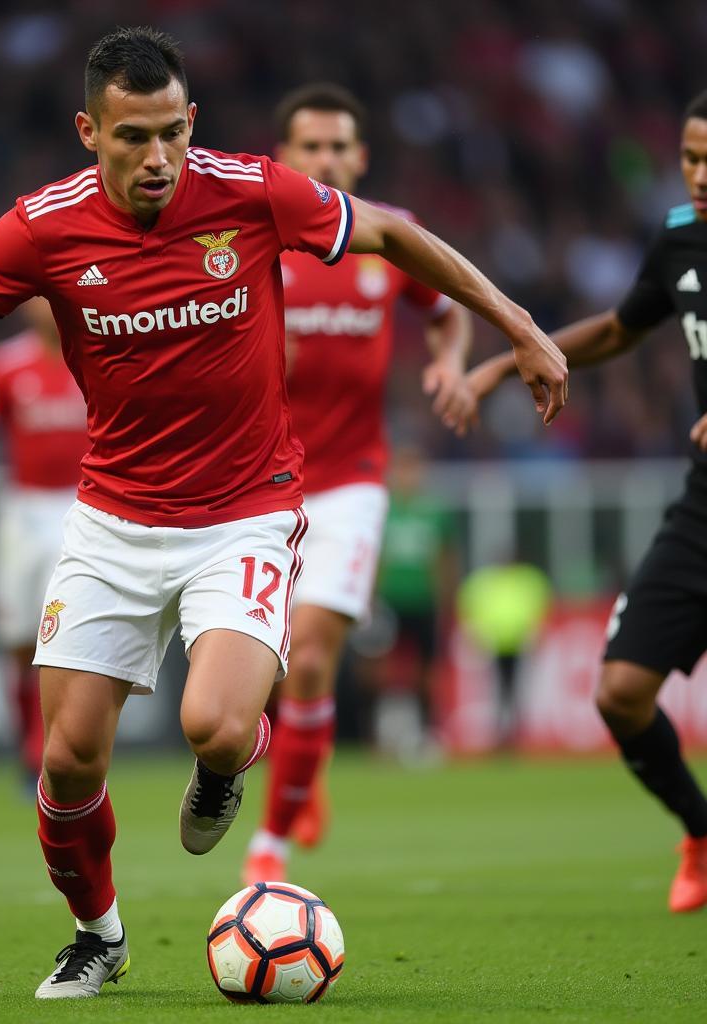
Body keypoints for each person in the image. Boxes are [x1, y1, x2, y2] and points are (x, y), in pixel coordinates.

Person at [0, 27, 567, 998]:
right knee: (68, 759)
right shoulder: (41, 226)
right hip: (109, 520)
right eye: (131, 139)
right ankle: (97, 933)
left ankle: (231, 763)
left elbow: (395, 234)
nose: (156, 159)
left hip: (243, 511)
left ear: (190, 119)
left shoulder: (248, 191)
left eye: (170, 133)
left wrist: (523, 327)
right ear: (89, 131)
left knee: (213, 723)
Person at [462, 89, 707, 911]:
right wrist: (512, 357)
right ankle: (700, 833)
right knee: (620, 692)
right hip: (703, 503)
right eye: (690, 158)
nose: (699, 176)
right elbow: (620, 329)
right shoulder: (680, 239)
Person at [242, 83, 475, 885]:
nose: (328, 160)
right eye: (311, 148)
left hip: (351, 480)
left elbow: (446, 309)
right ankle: (302, 766)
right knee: (258, 669)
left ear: (362, 157)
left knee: (309, 660)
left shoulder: (388, 237)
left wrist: (448, 360)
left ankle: (268, 846)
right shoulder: (258, 240)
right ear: (284, 160)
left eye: (341, 147)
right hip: (255, 482)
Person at [0, 297, 89, 786]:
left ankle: (43, 752)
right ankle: (27, 740)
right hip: (23, 512)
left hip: (82, 508)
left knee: (60, 634)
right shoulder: (6, 365)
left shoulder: (95, 352)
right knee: (16, 639)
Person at [373, 444, 459, 756]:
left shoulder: (434, 511)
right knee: (381, 672)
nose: (409, 476)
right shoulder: (384, 509)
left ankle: (426, 735)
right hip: (390, 602)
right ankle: (380, 736)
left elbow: (445, 558)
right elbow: (374, 559)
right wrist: (370, 598)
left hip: (424, 601)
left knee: (426, 672)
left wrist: (447, 600)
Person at [455, 554, 552, 750]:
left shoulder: (526, 580)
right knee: (494, 693)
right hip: (492, 646)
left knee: (518, 691)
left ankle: (515, 734)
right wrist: (475, 635)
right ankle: (498, 734)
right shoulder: (485, 582)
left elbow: (541, 608)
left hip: (520, 644)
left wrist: (536, 633)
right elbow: (468, 608)